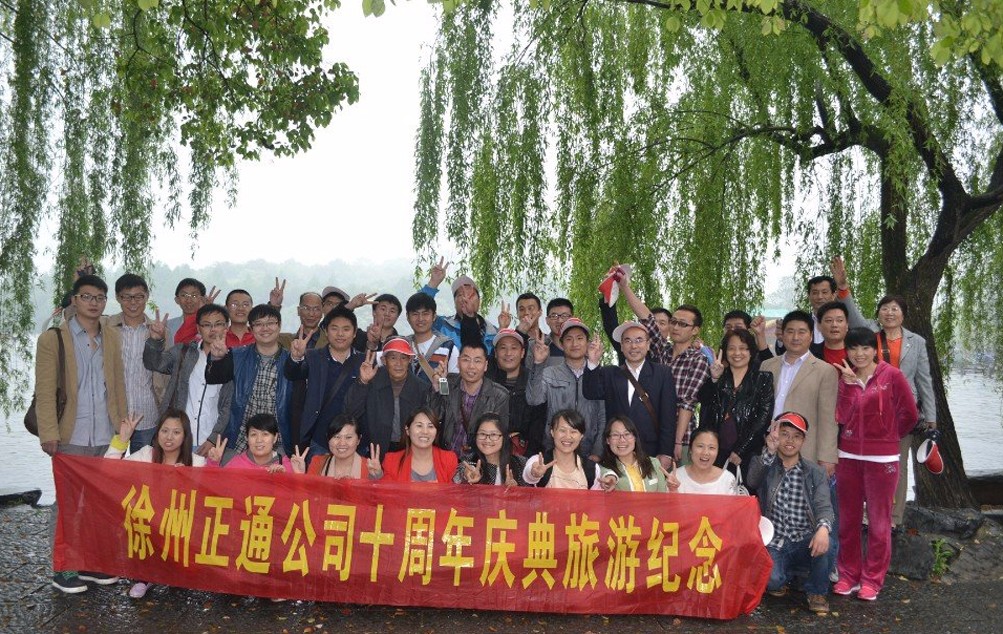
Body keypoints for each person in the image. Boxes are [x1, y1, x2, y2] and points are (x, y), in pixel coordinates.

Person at [36, 274, 128, 594]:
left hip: (105, 433)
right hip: (70, 434)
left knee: (98, 503)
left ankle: (91, 562)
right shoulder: (53, 339)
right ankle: (63, 567)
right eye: (87, 297)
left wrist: (122, 430)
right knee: (68, 503)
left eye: (100, 298)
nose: (94, 303)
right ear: (75, 300)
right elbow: (45, 390)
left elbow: (117, 385)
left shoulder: (111, 336)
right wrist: (49, 432)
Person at [835, 257, 937, 529]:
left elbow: (924, 380)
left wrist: (931, 418)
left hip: (901, 411)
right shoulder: (871, 335)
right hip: (868, 407)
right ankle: (868, 511)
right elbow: (852, 314)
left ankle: (893, 517)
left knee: (897, 464)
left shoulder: (917, 342)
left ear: (903, 314)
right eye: (885, 308)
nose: (889, 313)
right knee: (867, 461)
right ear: (878, 313)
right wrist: (843, 288)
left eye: (895, 309)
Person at [832, 328, 918, 601]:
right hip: (848, 457)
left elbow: (910, 414)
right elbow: (841, 416)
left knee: (880, 523)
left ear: (875, 349)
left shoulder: (892, 376)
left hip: (882, 461)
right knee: (848, 520)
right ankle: (848, 575)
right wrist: (848, 385)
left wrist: (888, 437)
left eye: (865, 348)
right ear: (847, 351)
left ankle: (872, 580)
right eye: (853, 348)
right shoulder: (846, 376)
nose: (859, 354)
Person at [104, 409, 212, 598]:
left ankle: (176, 568)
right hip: (149, 525)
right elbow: (108, 470)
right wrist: (122, 440)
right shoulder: (146, 455)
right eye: (164, 431)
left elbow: (211, 498)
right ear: (157, 432)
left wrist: (189, 480)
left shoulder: (196, 462)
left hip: (180, 526)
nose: (169, 437)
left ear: (185, 436)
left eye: (176, 432)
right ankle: (144, 577)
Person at [612, 272, 711, 462]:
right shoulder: (661, 350)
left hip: (681, 439)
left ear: (695, 330)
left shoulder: (698, 360)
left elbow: (687, 403)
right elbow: (646, 318)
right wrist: (624, 286)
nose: (676, 327)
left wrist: (676, 442)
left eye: (683, 324)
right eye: (673, 322)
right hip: (653, 434)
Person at [748, 412, 835, 615]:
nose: (790, 441)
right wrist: (769, 450)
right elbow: (752, 480)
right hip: (775, 541)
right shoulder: (767, 465)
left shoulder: (815, 472)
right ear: (776, 436)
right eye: (784, 434)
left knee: (828, 542)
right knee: (772, 582)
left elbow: (824, 505)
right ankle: (792, 575)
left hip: (804, 539)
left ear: (803, 440)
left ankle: (817, 592)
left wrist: (823, 528)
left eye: (796, 436)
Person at [582, 322, 677, 470]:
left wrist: (666, 452)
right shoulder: (610, 373)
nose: (633, 346)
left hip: (650, 449)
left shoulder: (662, 373)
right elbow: (590, 392)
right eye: (628, 341)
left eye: (639, 340)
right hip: (617, 449)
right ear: (621, 346)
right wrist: (593, 362)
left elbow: (668, 416)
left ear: (648, 344)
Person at [206, 304, 294, 459]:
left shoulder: (292, 360)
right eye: (258, 324)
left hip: (278, 441)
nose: (265, 328)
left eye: (270, 323)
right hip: (239, 440)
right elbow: (214, 378)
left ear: (279, 326)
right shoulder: (237, 355)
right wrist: (217, 358)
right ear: (251, 329)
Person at [144, 304, 234, 455]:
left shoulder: (233, 359)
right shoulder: (183, 352)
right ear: (198, 328)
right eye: (207, 325)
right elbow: (154, 364)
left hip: (210, 441)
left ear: (226, 327)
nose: (213, 330)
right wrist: (155, 340)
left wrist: (214, 437)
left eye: (218, 324)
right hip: (177, 439)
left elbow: (228, 405)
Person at [760, 310, 839, 474]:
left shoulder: (825, 371)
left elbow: (828, 420)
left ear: (811, 336)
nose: (795, 337)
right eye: (790, 331)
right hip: (769, 446)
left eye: (802, 332)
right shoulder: (767, 366)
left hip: (805, 450)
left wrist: (827, 457)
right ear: (782, 335)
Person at [284, 305, 364, 457]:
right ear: (326, 332)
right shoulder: (313, 357)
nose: (340, 334)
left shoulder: (364, 362)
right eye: (334, 328)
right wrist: (296, 357)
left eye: (346, 329)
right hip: (318, 441)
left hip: (354, 443)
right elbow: (293, 373)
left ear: (354, 333)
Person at [698, 329, 774, 479]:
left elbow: (763, 418)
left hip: (747, 452)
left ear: (751, 352)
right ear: (725, 352)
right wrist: (714, 379)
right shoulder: (718, 375)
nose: (737, 353)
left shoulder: (763, 379)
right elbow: (703, 400)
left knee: (742, 490)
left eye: (743, 348)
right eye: (731, 348)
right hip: (715, 451)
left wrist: (741, 450)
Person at [525, 318, 605, 459]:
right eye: (569, 339)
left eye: (580, 338)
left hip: (588, 453)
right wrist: (538, 363)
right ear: (561, 344)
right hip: (554, 450)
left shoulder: (600, 375)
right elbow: (533, 400)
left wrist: (597, 452)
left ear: (588, 343)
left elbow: (602, 416)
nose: (574, 344)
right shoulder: (549, 373)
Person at [108, 273, 163, 453]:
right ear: (118, 297)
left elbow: (166, 374)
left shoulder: (158, 330)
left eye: (139, 297)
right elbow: (76, 316)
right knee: (111, 465)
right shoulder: (106, 327)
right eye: (127, 297)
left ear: (147, 297)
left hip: (147, 415)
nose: (133, 302)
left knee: (143, 469)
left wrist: (159, 340)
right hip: (113, 416)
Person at [344, 337, 427, 454]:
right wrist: (363, 382)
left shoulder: (421, 388)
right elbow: (351, 413)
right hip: (375, 451)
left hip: (410, 451)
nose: (398, 363)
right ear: (384, 360)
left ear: (410, 360)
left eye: (403, 358)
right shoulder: (372, 381)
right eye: (393, 358)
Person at [428, 340, 510, 455]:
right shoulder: (447, 383)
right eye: (466, 360)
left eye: (477, 361)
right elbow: (433, 419)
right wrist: (437, 388)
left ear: (486, 365)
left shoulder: (499, 395)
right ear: (458, 362)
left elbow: (498, 436)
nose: (471, 366)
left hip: (478, 459)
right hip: (444, 455)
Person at [486, 328, 547, 458]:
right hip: (488, 453)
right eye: (503, 348)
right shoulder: (485, 382)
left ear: (522, 352)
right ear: (495, 353)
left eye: (514, 348)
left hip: (524, 456)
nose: (508, 353)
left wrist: (528, 459)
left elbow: (538, 425)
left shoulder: (533, 382)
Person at [420, 258, 498, 352]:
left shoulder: (493, 333)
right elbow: (418, 311)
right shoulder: (442, 325)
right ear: (454, 303)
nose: (465, 298)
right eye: (460, 295)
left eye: (470, 295)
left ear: (479, 301)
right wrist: (433, 283)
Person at [522, 410, 607, 489]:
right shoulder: (538, 460)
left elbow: (596, 498)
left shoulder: (592, 469)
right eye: (562, 430)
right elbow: (528, 476)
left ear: (581, 436)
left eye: (573, 432)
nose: (567, 436)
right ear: (552, 432)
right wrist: (535, 474)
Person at [292, 414, 383, 480]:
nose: (342, 443)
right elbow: (308, 497)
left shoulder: (370, 467)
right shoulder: (318, 462)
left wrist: (377, 478)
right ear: (328, 438)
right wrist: (300, 476)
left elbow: (377, 498)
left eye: (348, 437)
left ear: (358, 440)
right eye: (336, 437)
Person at [382, 407, 459, 483]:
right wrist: (378, 476)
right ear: (407, 430)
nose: (425, 432)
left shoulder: (449, 459)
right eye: (419, 426)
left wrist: (464, 477)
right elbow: (386, 489)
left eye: (430, 426)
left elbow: (456, 488)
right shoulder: (391, 461)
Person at [597, 415, 670, 492]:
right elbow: (607, 474)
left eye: (627, 434)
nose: (622, 440)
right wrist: (610, 480)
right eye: (615, 435)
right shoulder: (602, 468)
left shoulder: (653, 463)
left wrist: (672, 489)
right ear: (608, 440)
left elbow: (663, 495)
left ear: (635, 438)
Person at [455, 413, 526, 486]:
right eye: (482, 434)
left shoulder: (520, 463)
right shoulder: (467, 461)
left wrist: (516, 490)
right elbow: (460, 471)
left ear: (504, 437)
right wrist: (466, 474)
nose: (487, 440)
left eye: (493, 434)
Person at [402, 291, 459, 382]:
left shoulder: (448, 347)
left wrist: (441, 382)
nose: (420, 319)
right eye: (415, 314)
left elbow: (455, 386)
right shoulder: (402, 345)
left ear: (434, 316)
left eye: (425, 314)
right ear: (408, 317)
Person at [213, 413, 293, 472]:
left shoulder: (286, 467)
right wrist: (214, 463)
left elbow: (296, 489)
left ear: (275, 438)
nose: (259, 440)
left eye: (265, 434)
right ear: (247, 438)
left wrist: (285, 477)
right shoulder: (235, 465)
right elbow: (215, 486)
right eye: (253, 434)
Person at [671, 429, 739, 495]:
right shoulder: (676, 476)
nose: (705, 452)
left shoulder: (727, 479)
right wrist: (673, 491)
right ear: (691, 449)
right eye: (700, 446)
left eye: (711, 447)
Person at [167, 278, 221, 344]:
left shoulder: (212, 326)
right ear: (177, 300)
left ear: (202, 299)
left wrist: (208, 311)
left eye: (194, 295)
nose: (189, 300)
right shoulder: (167, 326)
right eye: (184, 295)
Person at [812, 301, 849, 366]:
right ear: (819, 326)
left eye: (840, 320)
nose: (834, 325)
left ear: (847, 326)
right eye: (829, 320)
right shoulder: (810, 354)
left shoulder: (860, 354)